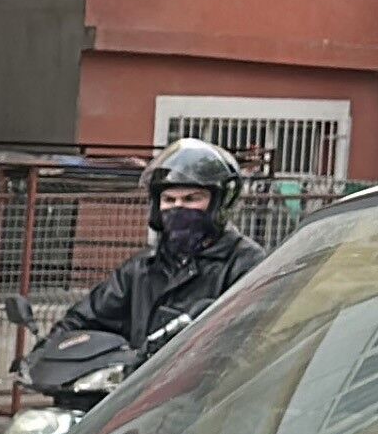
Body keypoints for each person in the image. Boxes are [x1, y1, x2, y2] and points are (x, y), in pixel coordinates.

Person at [58, 138, 265, 350]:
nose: (178, 207)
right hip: (141, 382)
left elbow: (250, 338)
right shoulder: (142, 268)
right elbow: (85, 317)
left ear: (219, 204)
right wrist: (49, 352)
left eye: (191, 199)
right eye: (169, 199)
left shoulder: (245, 264)